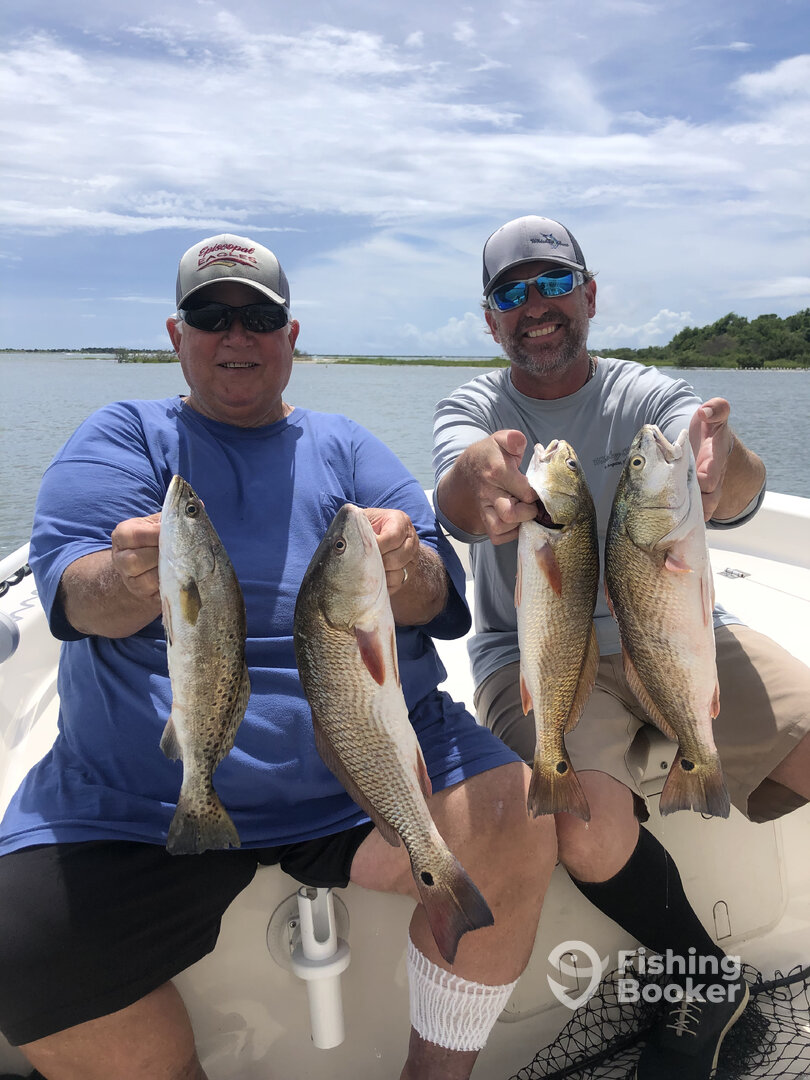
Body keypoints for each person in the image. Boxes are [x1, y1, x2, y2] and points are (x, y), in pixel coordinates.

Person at [0, 233, 557, 1080]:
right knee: (18, 953)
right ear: (175, 334)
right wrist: (126, 574)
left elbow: (441, 600)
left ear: (291, 337)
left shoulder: (347, 447)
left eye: (260, 317)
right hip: (140, 803)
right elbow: (73, 595)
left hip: (364, 776)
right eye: (210, 315)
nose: (236, 335)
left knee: (519, 821)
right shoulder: (124, 435)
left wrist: (406, 565)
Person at [432, 215, 810, 1080]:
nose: (535, 307)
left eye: (553, 284)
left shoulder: (645, 396)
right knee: (584, 827)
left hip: (676, 632)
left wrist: (724, 463)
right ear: (491, 321)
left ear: (590, 296)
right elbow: (457, 489)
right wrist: (476, 483)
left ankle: (697, 759)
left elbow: (731, 479)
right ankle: (709, 978)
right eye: (511, 294)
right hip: (533, 654)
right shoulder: (474, 407)